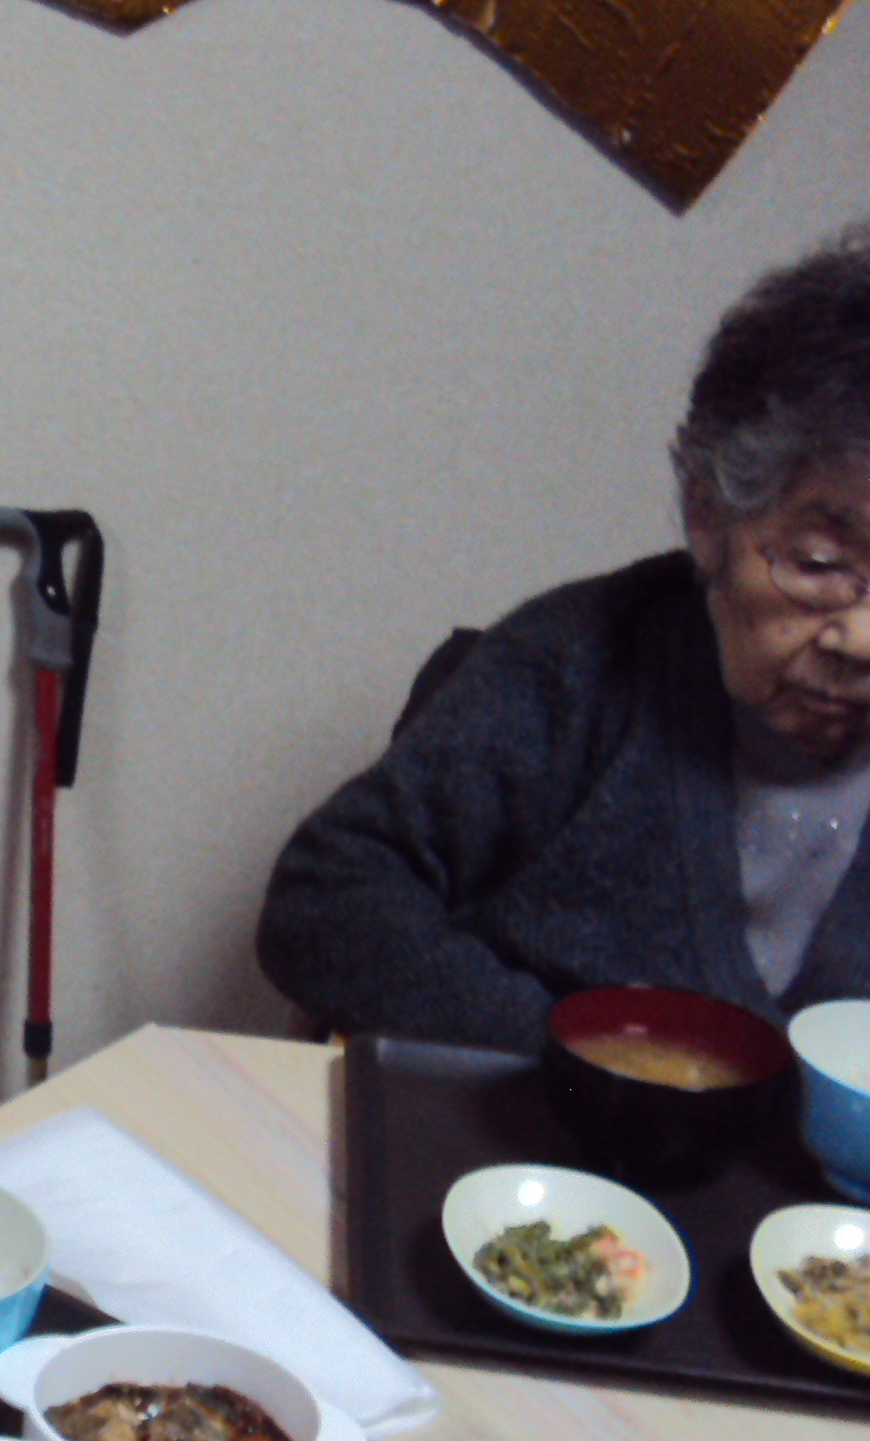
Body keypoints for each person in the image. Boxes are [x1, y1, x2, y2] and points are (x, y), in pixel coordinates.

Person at [258, 223, 870, 1052]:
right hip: (535, 1129)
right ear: (709, 514)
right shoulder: (577, 668)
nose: (859, 641)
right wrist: (577, 1061)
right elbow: (326, 901)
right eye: (821, 563)